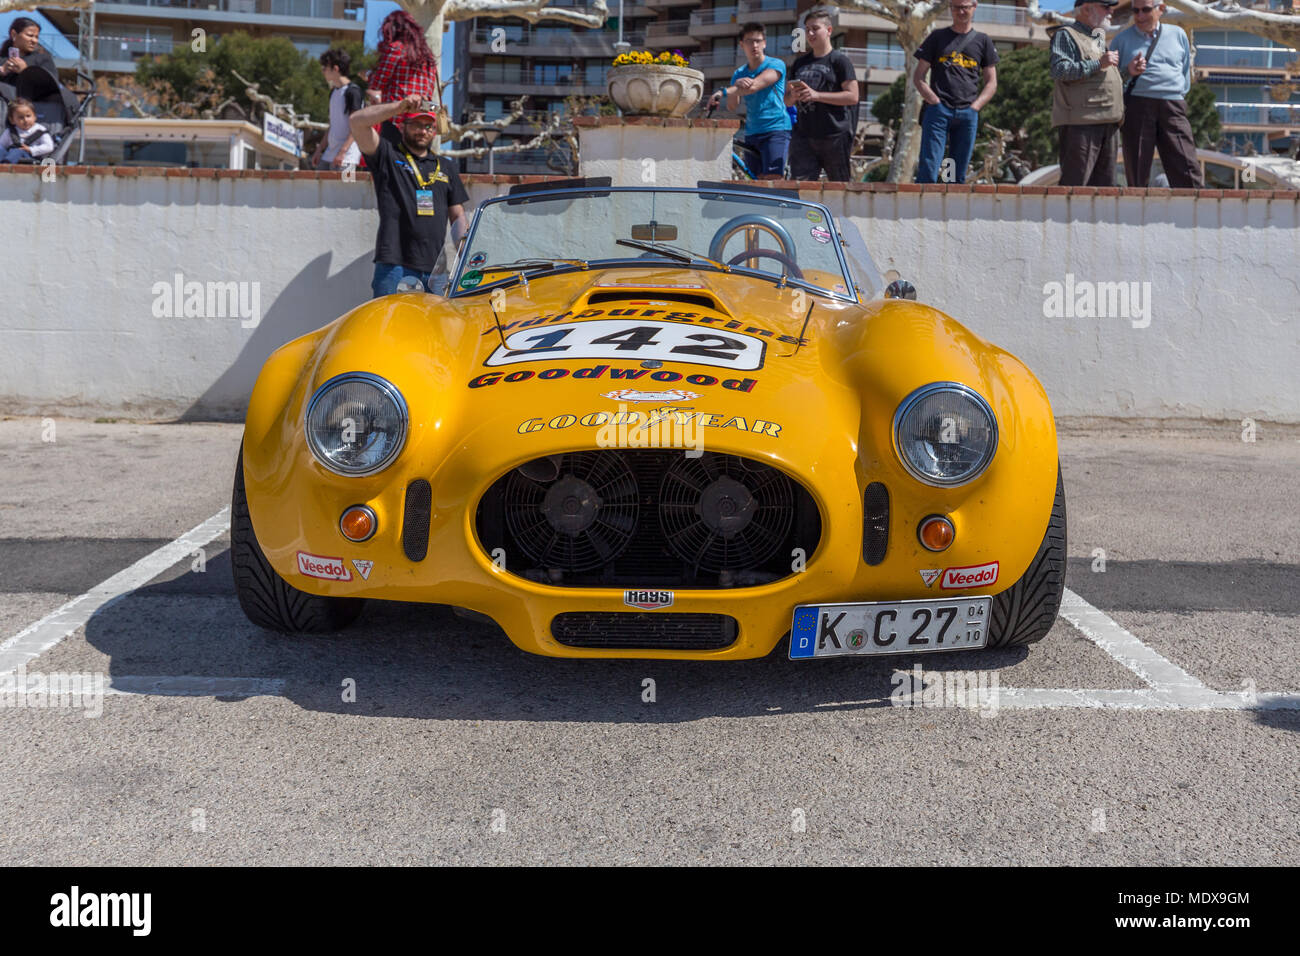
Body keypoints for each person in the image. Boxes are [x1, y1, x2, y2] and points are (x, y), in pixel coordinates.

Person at [349, 94, 468, 298]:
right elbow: (356, 123)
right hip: (394, 266)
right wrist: (399, 106)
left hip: (436, 271)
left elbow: (457, 216)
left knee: (435, 329)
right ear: (404, 125)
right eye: (416, 124)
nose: (422, 131)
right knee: (389, 328)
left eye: (428, 126)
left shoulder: (446, 166)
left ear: (434, 131)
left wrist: (465, 253)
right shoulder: (388, 155)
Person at [1110, 0, 1204, 187]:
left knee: (1186, 164)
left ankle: (1196, 209)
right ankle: (1138, 211)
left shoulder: (1178, 35)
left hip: (1172, 103)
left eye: (1145, 10)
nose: (1140, 16)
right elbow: (1110, 81)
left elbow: (1185, 72)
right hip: (1137, 104)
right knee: (1137, 167)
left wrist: (1177, 95)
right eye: (1135, 11)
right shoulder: (1121, 40)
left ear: (1161, 9)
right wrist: (1129, 71)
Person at [912, 0, 998, 184]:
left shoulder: (983, 41)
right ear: (951, 8)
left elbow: (991, 82)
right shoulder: (937, 37)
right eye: (957, 7)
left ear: (974, 7)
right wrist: (934, 101)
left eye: (965, 7)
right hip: (938, 111)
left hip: (968, 112)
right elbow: (919, 76)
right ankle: (924, 209)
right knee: (930, 166)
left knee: (956, 171)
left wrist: (975, 107)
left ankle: (948, 209)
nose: (961, 12)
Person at [1049, 0, 1124, 187]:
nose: (1110, 11)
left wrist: (1130, 71)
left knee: (1105, 190)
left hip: (1108, 123)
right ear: (1085, 9)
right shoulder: (1065, 35)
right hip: (1081, 126)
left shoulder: (1097, 36)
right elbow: (1060, 71)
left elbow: (1102, 77)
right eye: (1105, 6)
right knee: (1075, 187)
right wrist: (1099, 63)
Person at [784, 8, 859, 182]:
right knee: (800, 189)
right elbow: (787, 101)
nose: (810, 33)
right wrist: (794, 96)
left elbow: (852, 96)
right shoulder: (800, 62)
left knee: (839, 188)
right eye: (807, 29)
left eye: (815, 28)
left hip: (834, 136)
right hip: (803, 136)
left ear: (829, 30)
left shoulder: (840, 61)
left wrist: (816, 95)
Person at [707, 23, 791, 179]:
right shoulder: (739, 73)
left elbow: (754, 86)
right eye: (749, 41)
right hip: (752, 133)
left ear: (765, 43)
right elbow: (733, 106)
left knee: (773, 180)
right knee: (755, 180)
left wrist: (722, 91)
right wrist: (736, 86)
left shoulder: (776, 64)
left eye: (758, 41)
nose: (754, 45)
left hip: (776, 129)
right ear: (741, 45)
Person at [366, 10, 439, 147]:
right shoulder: (427, 55)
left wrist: (370, 75)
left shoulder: (396, 49)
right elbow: (429, 92)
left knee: (392, 165)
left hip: (397, 120)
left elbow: (377, 84)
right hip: (422, 121)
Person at [0, 18, 77, 123]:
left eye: (36, 37)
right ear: (14, 34)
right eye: (30, 35)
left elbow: (52, 85)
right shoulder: (2, 59)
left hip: (29, 107)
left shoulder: (42, 59)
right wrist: (2, 71)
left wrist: (26, 71)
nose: (34, 40)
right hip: (6, 104)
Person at [312, 48, 363, 171]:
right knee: (320, 186)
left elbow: (357, 126)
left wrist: (343, 151)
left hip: (348, 156)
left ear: (335, 69)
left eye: (324, 68)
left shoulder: (353, 92)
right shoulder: (333, 92)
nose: (322, 71)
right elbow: (332, 125)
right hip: (330, 153)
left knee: (346, 187)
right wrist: (319, 150)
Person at [1, 98, 52, 163]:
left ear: (35, 117)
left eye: (28, 116)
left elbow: (49, 147)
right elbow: (1, 145)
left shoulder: (40, 130)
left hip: (30, 157)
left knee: (17, 151)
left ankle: (5, 166)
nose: (25, 120)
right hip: (10, 155)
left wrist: (31, 149)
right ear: (12, 120)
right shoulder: (10, 132)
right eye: (21, 117)